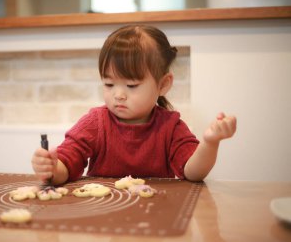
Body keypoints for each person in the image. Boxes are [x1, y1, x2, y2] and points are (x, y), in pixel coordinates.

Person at [31, 25, 237, 184]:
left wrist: (210, 143)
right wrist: (52, 168)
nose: (119, 95)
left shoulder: (170, 127)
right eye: (109, 84)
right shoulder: (96, 123)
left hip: (157, 218)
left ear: (163, 85)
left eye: (131, 85)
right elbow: (67, 164)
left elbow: (192, 173)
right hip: (104, 215)